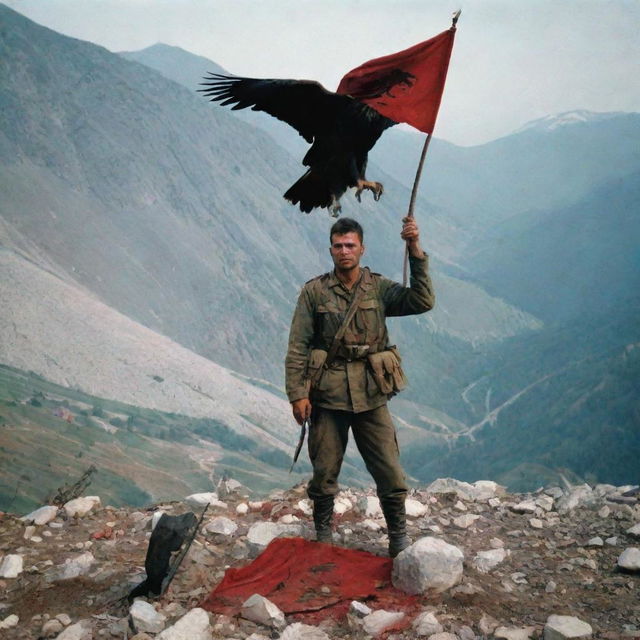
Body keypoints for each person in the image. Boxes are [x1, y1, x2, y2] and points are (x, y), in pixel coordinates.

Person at [285, 216, 435, 557]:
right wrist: (298, 394)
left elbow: (422, 301)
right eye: (338, 245)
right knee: (323, 472)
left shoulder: (378, 289)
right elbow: (298, 345)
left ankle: (397, 538)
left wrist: (414, 249)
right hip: (327, 395)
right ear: (330, 249)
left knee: (389, 470)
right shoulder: (314, 292)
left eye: (350, 245)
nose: (344, 251)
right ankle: (323, 534)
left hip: (371, 393)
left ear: (362, 248)